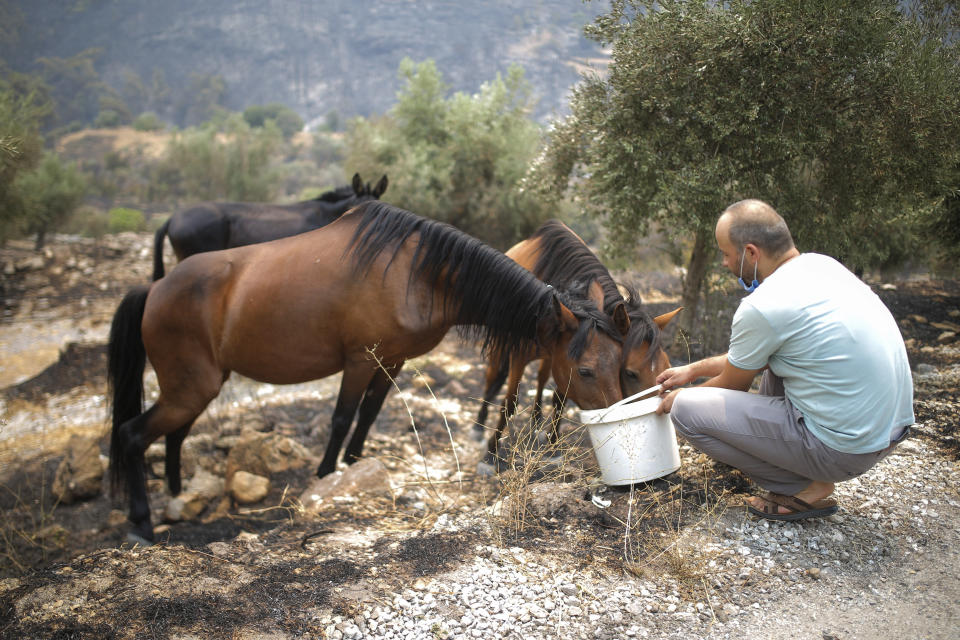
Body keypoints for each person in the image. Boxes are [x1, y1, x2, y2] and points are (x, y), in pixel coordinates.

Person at [655, 199, 914, 521]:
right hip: (887, 433)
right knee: (774, 365)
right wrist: (692, 371)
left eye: (725, 253)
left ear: (751, 253)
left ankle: (799, 487)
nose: (723, 263)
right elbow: (751, 360)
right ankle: (804, 468)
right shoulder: (823, 267)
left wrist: (681, 395)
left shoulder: (764, 305)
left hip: (845, 450)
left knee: (687, 410)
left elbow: (734, 384)